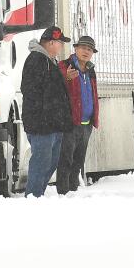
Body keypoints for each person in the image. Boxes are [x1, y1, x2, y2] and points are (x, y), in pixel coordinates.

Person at [20, 25, 73, 197]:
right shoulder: (36, 60)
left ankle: (38, 195)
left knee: (50, 163)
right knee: (41, 163)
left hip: (53, 124)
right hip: (42, 124)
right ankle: (33, 198)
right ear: (51, 42)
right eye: (60, 43)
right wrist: (45, 116)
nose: (62, 47)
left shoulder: (50, 61)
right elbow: (34, 91)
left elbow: (51, 90)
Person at [56, 34, 100, 194]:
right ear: (75, 48)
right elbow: (56, 87)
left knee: (78, 161)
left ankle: (73, 191)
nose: (86, 52)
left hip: (86, 124)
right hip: (70, 123)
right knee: (65, 159)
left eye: (89, 49)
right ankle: (63, 192)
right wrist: (66, 78)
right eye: (83, 48)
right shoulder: (65, 65)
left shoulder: (90, 70)